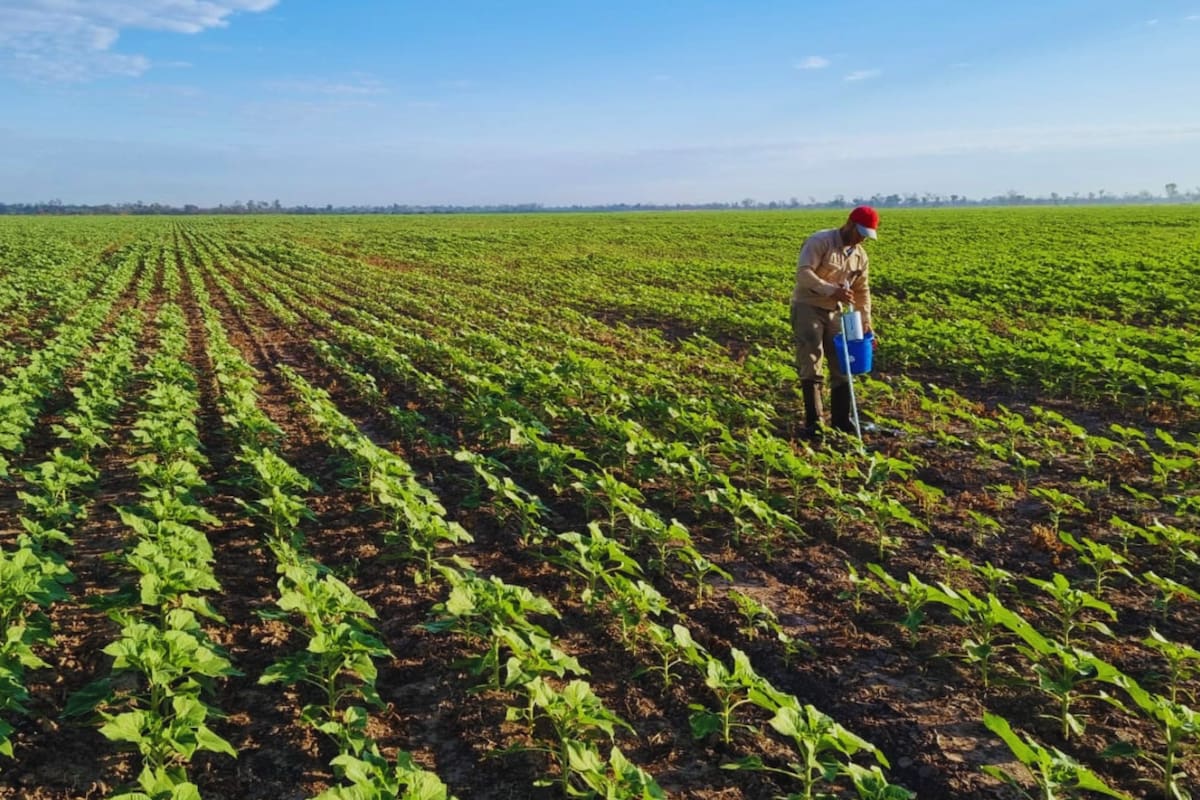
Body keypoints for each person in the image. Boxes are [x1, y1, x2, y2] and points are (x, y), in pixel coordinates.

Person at [789, 205, 878, 438]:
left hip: (836, 311)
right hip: (808, 307)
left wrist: (866, 320)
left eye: (866, 236)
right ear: (849, 224)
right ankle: (814, 424)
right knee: (811, 361)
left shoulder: (860, 256)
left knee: (842, 363)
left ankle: (841, 421)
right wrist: (829, 290)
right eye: (859, 233)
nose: (861, 239)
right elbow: (803, 273)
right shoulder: (820, 241)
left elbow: (862, 290)